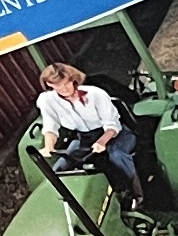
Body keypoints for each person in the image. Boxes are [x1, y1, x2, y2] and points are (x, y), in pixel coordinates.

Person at [31, 63, 137, 199]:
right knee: (59, 168)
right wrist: (48, 147)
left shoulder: (95, 94)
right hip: (84, 138)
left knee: (117, 155)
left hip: (114, 134)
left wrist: (102, 142)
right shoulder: (47, 100)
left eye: (66, 83)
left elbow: (112, 124)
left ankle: (135, 194)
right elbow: (50, 127)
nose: (64, 88)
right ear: (49, 84)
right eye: (58, 85)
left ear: (73, 79)